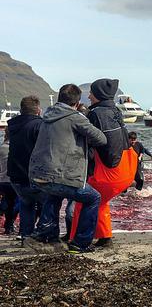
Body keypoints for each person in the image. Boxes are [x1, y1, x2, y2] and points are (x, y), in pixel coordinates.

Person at [27, 84, 105, 253]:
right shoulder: (74, 117)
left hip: (37, 173)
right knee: (93, 198)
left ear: (59, 98)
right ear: (76, 103)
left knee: (55, 194)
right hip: (58, 175)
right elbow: (101, 138)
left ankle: (43, 234)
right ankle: (80, 243)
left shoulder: (47, 114)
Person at [70, 78, 138, 248]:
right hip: (127, 168)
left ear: (99, 94)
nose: (90, 96)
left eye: (92, 92)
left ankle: (78, 239)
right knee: (100, 201)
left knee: (85, 199)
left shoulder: (97, 113)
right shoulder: (114, 110)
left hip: (111, 171)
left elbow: (105, 148)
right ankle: (105, 237)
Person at [7, 96, 44, 238]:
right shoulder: (39, 125)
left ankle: (25, 235)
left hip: (15, 174)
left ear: (21, 110)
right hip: (34, 173)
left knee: (26, 204)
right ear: (38, 110)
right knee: (48, 203)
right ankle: (43, 234)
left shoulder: (12, 125)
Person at [0, 133, 17, 235]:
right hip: (12, 181)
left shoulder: (1, 148)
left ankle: (8, 225)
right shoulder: (17, 149)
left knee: (8, 202)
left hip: (1, 180)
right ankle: (9, 226)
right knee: (14, 204)